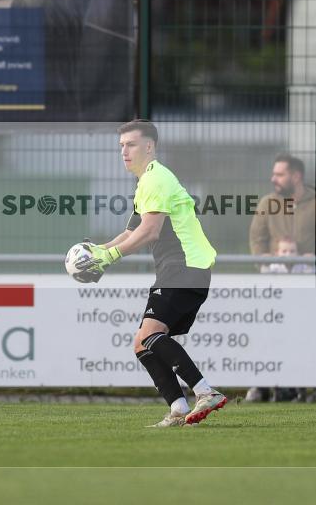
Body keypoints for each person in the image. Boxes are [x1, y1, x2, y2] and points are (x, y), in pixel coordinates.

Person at [76, 120, 226, 427]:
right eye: (121, 146)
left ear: (149, 146)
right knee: (142, 343)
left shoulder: (157, 179)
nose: (124, 152)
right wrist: (99, 253)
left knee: (150, 335)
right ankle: (178, 408)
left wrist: (111, 256)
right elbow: (131, 230)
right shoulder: (146, 182)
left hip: (185, 267)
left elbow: (150, 230)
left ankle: (204, 391)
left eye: (131, 145)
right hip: (183, 270)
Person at [245, 154, 316, 404]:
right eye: (273, 173)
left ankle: (315, 386)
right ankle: (260, 385)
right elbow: (257, 238)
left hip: (305, 282)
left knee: (307, 333)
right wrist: (263, 261)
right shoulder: (267, 203)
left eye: (279, 174)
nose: (272, 178)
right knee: (267, 333)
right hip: (274, 282)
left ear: (296, 176)